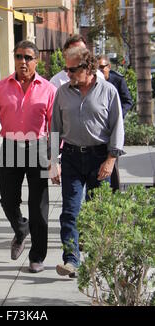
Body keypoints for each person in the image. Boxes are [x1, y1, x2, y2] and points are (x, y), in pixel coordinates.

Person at [0, 40, 56, 273]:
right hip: (11, 145)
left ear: (36, 61)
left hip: (38, 148)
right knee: (8, 199)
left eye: (28, 57)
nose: (23, 61)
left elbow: (55, 126)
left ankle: (37, 256)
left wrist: (55, 160)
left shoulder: (48, 89)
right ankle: (21, 229)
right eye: (19, 56)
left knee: (39, 205)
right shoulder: (0, 88)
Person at [50, 47, 124, 278]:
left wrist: (110, 160)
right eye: (66, 69)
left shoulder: (109, 91)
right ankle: (71, 261)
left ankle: (96, 260)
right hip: (71, 157)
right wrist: (54, 161)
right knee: (70, 211)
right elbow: (54, 130)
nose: (68, 74)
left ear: (88, 67)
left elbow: (117, 128)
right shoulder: (62, 93)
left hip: (99, 157)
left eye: (72, 69)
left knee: (98, 211)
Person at [97, 55, 133, 191]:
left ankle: (114, 191)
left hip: (114, 128)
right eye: (97, 67)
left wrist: (118, 116)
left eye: (102, 67)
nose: (99, 70)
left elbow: (127, 101)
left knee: (112, 160)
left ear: (109, 67)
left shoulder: (117, 79)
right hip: (99, 129)